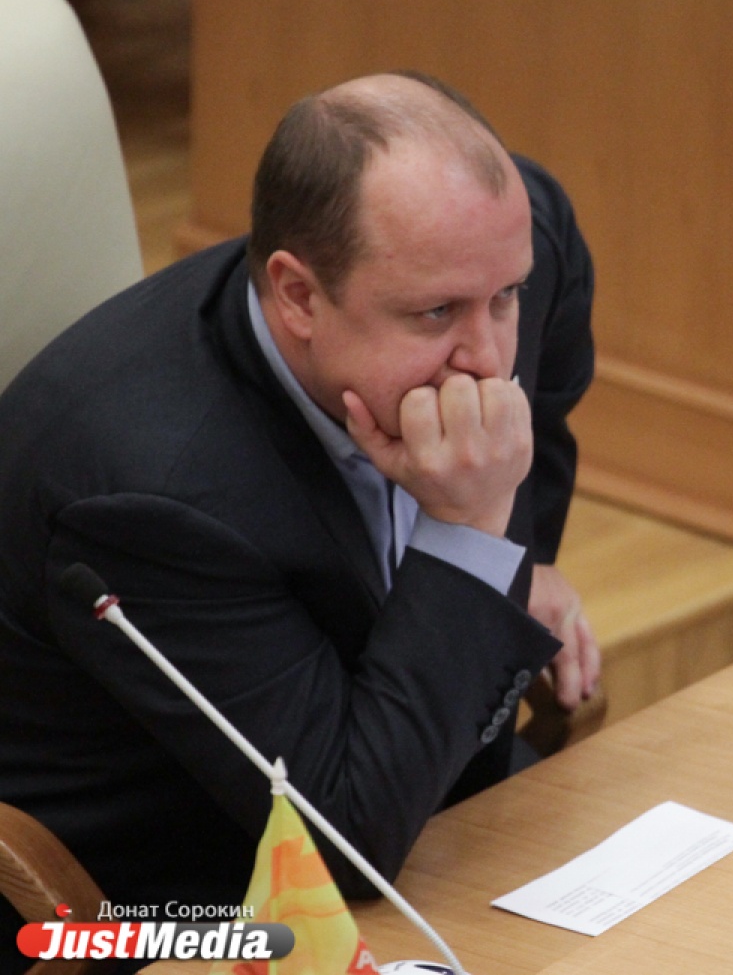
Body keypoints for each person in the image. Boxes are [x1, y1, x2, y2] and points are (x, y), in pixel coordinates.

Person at [0, 71, 600, 947]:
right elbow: (346, 841)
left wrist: (524, 560)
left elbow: (550, 316)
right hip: (195, 900)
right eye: (436, 312)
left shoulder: (493, 248)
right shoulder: (146, 498)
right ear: (298, 296)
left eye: (506, 296)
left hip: (435, 795)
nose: (487, 359)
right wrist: (474, 528)